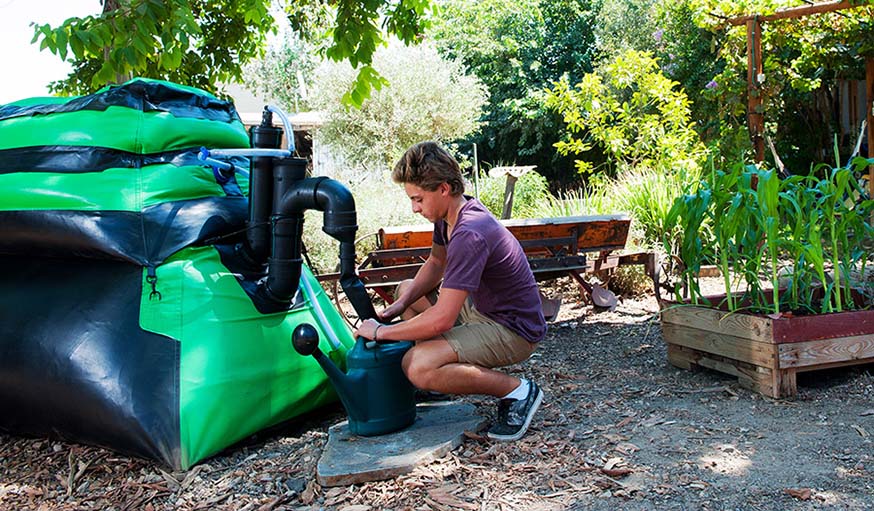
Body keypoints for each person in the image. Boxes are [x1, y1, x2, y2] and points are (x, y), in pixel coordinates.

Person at [353, 141, 547, 441]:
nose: (414, 208)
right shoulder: (450, 216)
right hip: (482, 309)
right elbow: (436, 262)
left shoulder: (469, 232)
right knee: (408, 290)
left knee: (416, 366)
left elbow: (442, 320)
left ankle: (519, 392)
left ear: (444, 188)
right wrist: (398, 305)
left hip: (513, 329)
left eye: (418, 199)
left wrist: (379, 331)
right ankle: (442, 377)